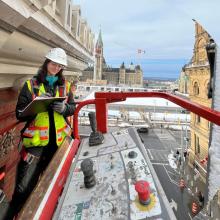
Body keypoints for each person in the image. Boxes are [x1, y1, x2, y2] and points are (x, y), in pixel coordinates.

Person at [7, 48, 75, 219]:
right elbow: (19, 113)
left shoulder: (65, 86)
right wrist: (36, 106)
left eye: (60, 66)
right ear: (46, 63)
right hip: (35, 146)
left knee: (55, 185)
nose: (56, 68)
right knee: (23, 189)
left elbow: (73, 107)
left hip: (58, 145)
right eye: (53, 64)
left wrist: (65, 108)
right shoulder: (31, 85)